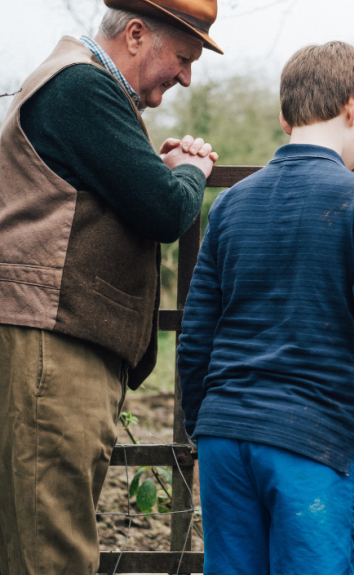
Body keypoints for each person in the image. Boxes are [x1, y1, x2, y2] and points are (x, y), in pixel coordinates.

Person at [177, 41, 354, 575]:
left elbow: (195, 334)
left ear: (284, 116)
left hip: (223, 439)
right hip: (309, 444)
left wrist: (203, 427)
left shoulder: (231, 203)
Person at [0, 1, 222, 574]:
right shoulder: (82, 89)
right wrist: (191, 170)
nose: (186, 75)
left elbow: (118, 186)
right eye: (181, 57)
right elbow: (166, 208)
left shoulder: (83, 90)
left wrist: (157, 165)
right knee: (53, 553)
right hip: (54, 346)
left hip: (55, 340)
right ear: (135, 34)